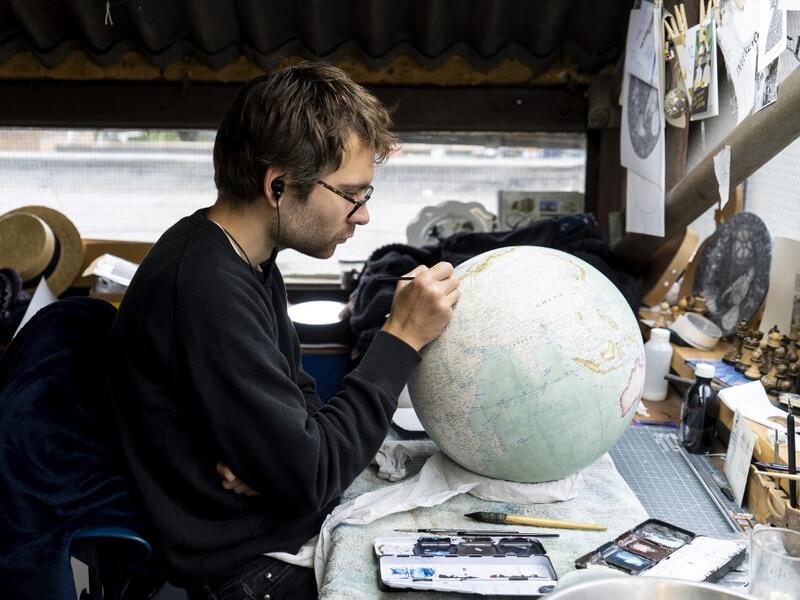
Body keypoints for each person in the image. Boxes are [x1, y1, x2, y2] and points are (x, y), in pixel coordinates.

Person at [108, 62, 460, 599]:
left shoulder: (248, 258)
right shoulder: (205, 286)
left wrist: (280, 465)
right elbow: (313, 475)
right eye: (351, 194)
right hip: (242, 567)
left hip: (267, 530)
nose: (362, 216)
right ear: (278, 184)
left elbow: (303, 407)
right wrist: (401, 338)